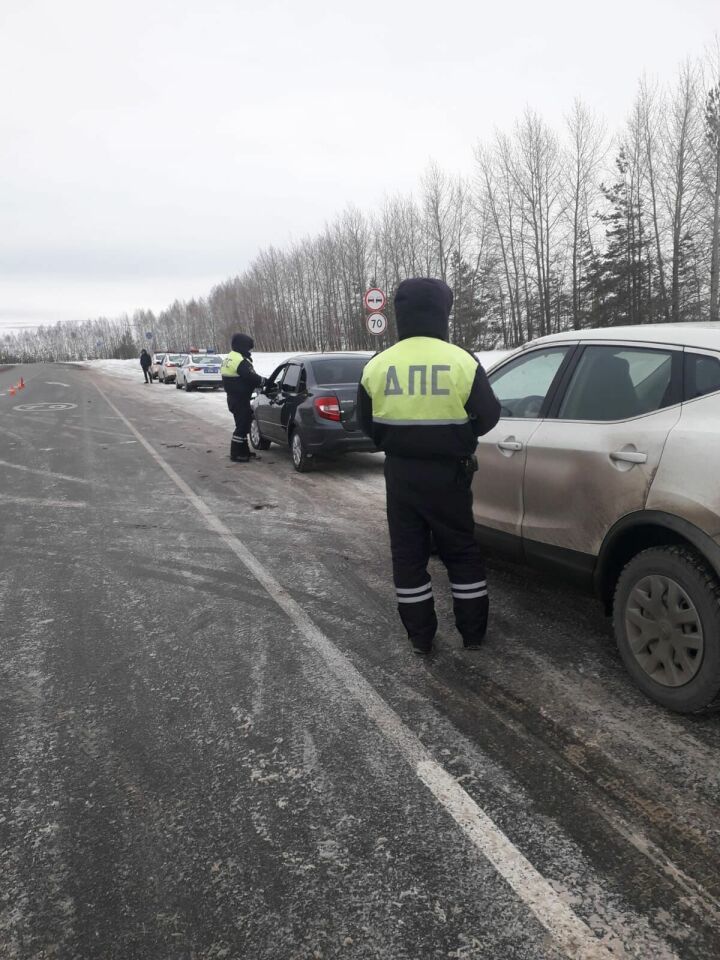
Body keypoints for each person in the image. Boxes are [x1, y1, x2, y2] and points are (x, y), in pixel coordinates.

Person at [357, 278, 501, 655]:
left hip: (401, 474)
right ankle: (472, 634)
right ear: (443, 311)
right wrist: (458, 433)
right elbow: (488, 416)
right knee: (461, 552)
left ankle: (421, 636)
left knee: (409, 557)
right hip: (450, 474)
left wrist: (397, 443)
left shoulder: (378, 364)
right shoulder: (462, 360)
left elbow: (366, 423)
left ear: (400, 314)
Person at [221, 333, 264, 462]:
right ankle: (236, 453)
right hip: (239, 399)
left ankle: (244, 451)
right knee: (241, 427)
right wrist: (264, 382)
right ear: (243, 346)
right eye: (249, 348)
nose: (250, 351)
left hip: (235, 397)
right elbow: (250, 377)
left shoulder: (231, 357)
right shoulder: (239, 360)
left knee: (243, 424)